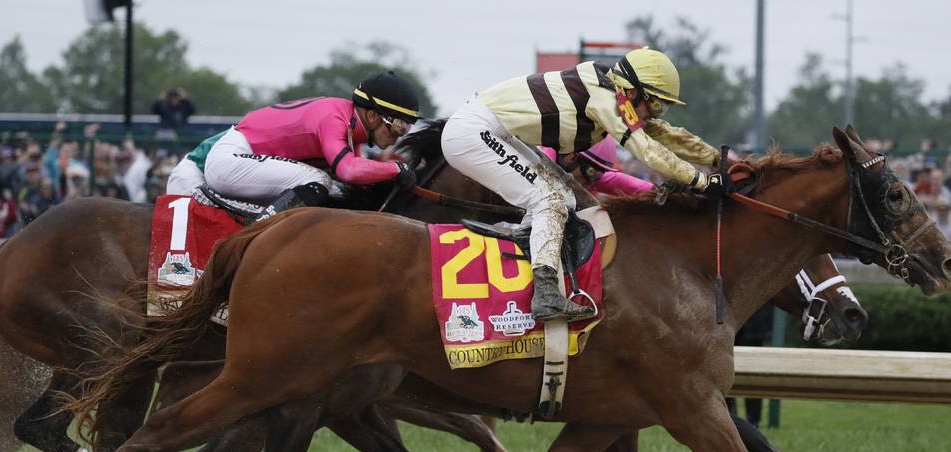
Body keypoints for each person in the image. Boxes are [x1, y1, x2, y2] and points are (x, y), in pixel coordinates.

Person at [441, 47, 724, 321]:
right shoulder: (603, 100)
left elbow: (665, 135)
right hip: (472, 132)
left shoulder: (615, 95)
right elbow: (646, 149)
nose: (656, 113)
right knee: (548, 201)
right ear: (632, 90)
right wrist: (701, 181)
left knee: (566, 199)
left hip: (492, 131)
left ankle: (526, 267)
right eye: (657, 104)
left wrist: (717, 159)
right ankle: (546, 294)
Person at [203, 71, 420, 221]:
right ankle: (257, 235)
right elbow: (349, 170)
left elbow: (350, 179)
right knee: (319, 180)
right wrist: (395, 169)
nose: (399, 136)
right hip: (230, 159)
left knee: (336, 190)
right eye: (399, 126)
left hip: (241, 159)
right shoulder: (334, 118)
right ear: (372, 116)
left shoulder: (350, 126)